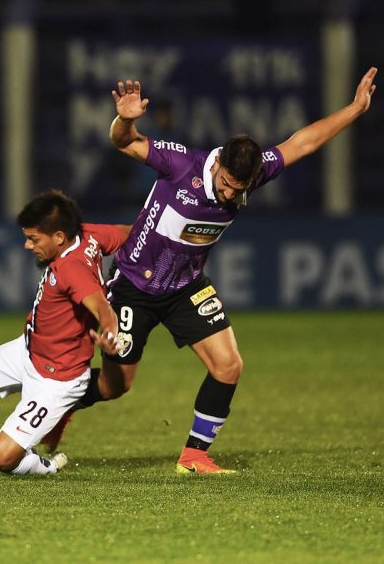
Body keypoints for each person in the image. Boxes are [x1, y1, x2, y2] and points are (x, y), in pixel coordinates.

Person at [71, 67, 378, 474]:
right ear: (218, 165)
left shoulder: (254, 172)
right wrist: (125, 118)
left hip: (185, 288)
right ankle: (48, 398)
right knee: (115, 386)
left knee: (229, 365)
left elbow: (302, 142)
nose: (232, 194)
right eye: (228, 184)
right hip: (134, 286)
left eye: (241, 189)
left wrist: (354, 110)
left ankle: (194, 455)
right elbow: (124, 142)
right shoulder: (182, 164)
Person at [0, 189, 130, 476]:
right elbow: (129, 233)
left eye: (33, 239)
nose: (27, 246)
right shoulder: (88, 234)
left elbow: (102, 309)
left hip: (56, 378)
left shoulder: (72, 268)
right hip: (29, 351)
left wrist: (109, 335)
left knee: (5, 457)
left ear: (58, 237)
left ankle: (47, 466)